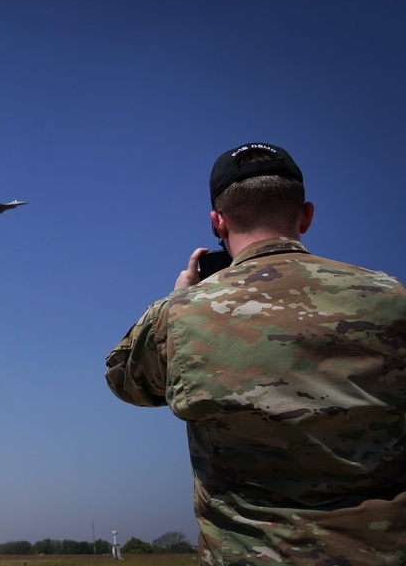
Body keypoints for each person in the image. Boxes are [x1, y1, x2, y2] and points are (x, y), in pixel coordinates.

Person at [105, 142, 406, 565]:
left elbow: (125, 383)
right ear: (306, 215)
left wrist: (177, 302)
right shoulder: (392, 298)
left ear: (218, 223)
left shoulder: (180, 313)